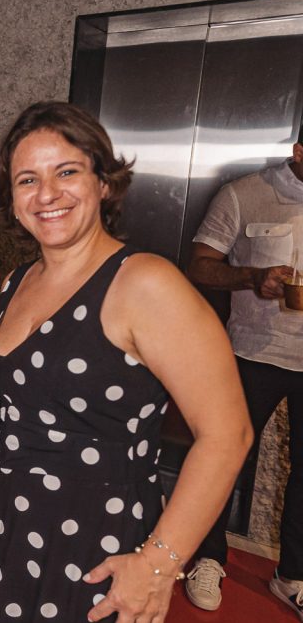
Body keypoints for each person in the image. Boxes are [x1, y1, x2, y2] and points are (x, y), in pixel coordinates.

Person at [0, 101, 252, 623]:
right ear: (11, 199)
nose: (47, 194)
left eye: (67, 172)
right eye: (27, 179)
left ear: (104, 182)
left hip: (94, 545)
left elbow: (228, 433)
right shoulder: (17, 282)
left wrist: (161, 561)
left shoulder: (143, 282)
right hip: (3, 527)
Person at [182, 124, 303, 617]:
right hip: (251, 353)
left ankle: (292, 574)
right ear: (300, 150)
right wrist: (252, 278)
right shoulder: (245, 194)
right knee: (223, 456)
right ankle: (207, 559)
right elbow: (201, 265)